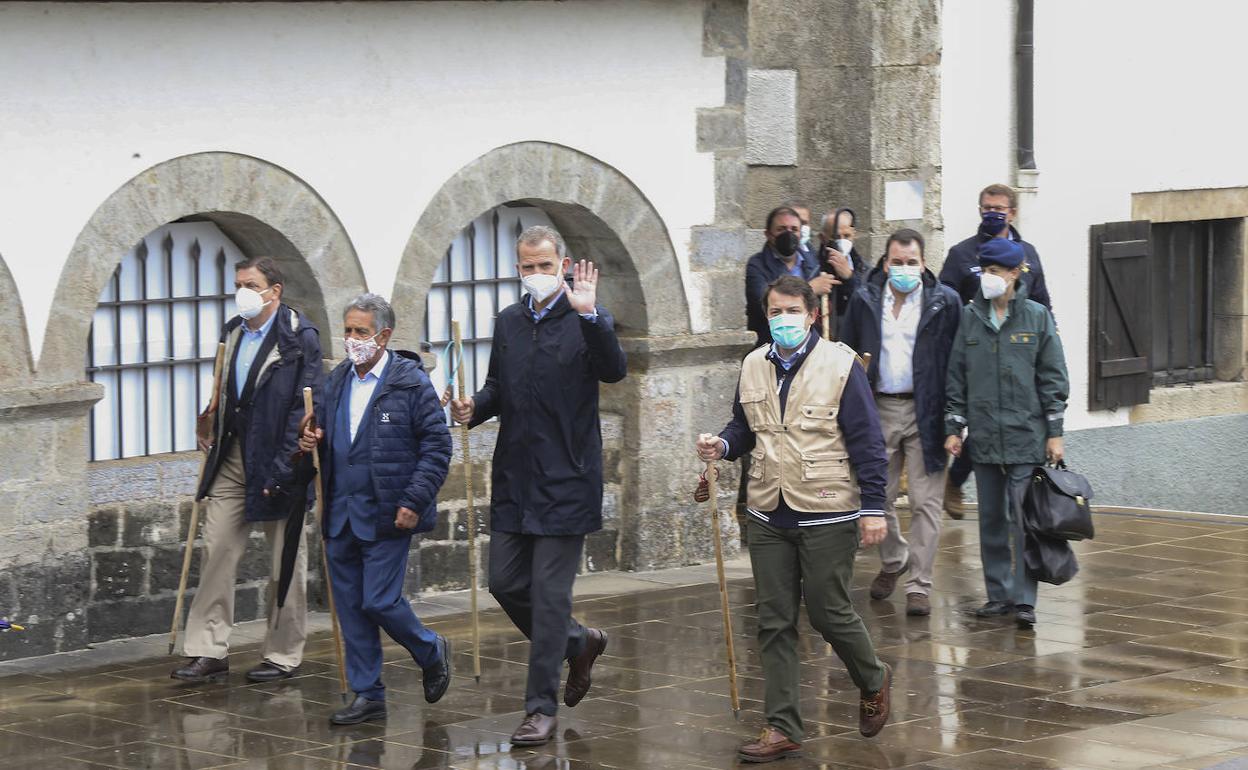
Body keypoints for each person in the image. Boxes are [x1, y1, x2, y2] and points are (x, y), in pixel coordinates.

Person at [696, 275, 893, 763]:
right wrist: (720, 446)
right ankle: (782, 725)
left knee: (829, 610)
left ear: (811, 315)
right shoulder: (752, 365)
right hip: (767, 508)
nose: (782, 319)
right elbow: (744, 428)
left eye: (790, 311)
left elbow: (868, 443)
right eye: (774, 312)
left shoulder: (841, 365)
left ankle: (873, 677)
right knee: (773, 620)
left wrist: (873, 508)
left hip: (828, 507)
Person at [450, 225, 627, 746]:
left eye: (545, 266)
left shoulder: (584, 317)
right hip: (516, 477)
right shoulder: (508, 322)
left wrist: (591, 314)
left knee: (549, 598)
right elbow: (498, 389)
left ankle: (538, 709)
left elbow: (614, 370)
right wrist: (472, 409)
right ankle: (581, 641)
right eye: (527, 267)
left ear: (562, 264)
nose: (536, 276)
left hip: (568, 479)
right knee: (505, 584)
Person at [297, 293, 453, 725]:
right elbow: (323, 435)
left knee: (380, 601)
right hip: (341, 513)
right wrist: (309, 438)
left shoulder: (409, 382)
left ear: (383, 336)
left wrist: (413, 500)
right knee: (350, 608)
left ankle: (429, 648)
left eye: (360, 332)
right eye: (347, 330)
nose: (351, 339)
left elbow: (437, 445)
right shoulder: (337, 380)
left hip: (387, 511)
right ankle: (369, 694)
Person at [172, 257, 322, 684]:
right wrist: (210, 418)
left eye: (250, 284)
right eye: (238, 283)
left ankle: (282, 653)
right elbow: (225, 389)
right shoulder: (233, 330)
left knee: (285, 561)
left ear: (274, 290)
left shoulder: (299, 336)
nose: (242, 291)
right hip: (234, 456)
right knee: (216, 547)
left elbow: (306, 404)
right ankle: (208, 649)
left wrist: (286, 465)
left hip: (283, 459)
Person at [944, 239, 1068, 630]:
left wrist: (1055, 433)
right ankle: (998, 594)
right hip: (983, 438)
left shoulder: (1036, 318)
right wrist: (954, 427)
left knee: (1024, 522)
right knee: (992, 521)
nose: (989, 278)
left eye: (997, 271)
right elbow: (957, 376)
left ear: (1015, 274)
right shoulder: (970, 318)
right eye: (985, 271)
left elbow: (1052, 378)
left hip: (1025, 437)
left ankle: (1025, 599)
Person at [841, 229, 960, 617]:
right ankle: (895, 560)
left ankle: (919, 586)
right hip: (878, 408)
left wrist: (956, 420)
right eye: (898, 262)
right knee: (877, 496)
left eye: (912, 262)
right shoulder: (864, 299)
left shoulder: (945, 301)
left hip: (928, 410)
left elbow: (957, 363)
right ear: (885, 262)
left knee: (926, 502)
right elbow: (846, 354)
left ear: (923, 263)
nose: (904, 269)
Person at [938, 184, 1052, 519]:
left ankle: (1017, 507)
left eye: (998, 208)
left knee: (1013, 420)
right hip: (977, 353)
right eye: (986, 207)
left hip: (1019, 354)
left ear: (1012, 212)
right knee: (983, 422)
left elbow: (1042, 302)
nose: (992, 213)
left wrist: (1049, 342)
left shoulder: (1028, 254)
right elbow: (945, 304)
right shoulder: (962, 254)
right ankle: (957, 478)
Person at [745, 207, 837, 347]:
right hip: (771, 346)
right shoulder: (757, 265)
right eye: (781, 229)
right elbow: (762, 302)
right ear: (768, 234)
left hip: (810, 346)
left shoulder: (814, 262)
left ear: (801, 233)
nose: (788, 234)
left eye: (794, 229)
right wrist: (810, 288)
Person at [818, 207, 872, 332]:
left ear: (854, 235)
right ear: (823, 238)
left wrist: (849, 277)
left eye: (847, 236)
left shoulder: (864, 269)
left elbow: (869, 306)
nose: (842, 241)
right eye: (836, 236)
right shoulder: (812, 267)